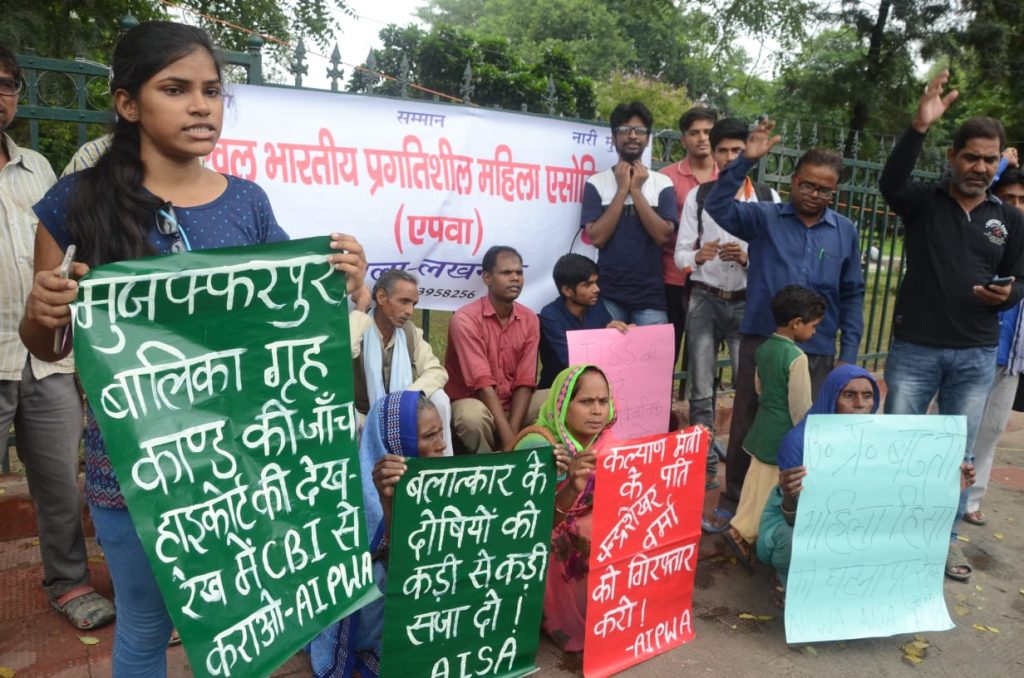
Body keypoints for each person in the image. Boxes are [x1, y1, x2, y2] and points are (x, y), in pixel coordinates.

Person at [18, 22, 368, 676]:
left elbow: (286, 314)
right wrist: (41, 314)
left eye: (211, 90)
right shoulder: (74, 205)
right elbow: (48, 340)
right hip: (135, 472)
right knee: (146, 626)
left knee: (247, 619)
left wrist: (347, 280)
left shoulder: (248, 204)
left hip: (243, 473)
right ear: (128, 104)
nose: (202, 105)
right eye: (175, 89)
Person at [879, 70, 1024, 580]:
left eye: (990, 159)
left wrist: (1009, 294)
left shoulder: (1010, 219)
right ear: (953, 158)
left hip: (976, 353)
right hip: (915, 348)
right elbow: (889, 182)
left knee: (954, 457)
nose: (980, 167)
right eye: (971, 157)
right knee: (899, 447)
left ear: (999, 160)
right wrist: (918, 127)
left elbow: (1021, 278)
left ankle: (941, 542)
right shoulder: (922, 203)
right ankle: (890, 537)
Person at [701, 121, 865, 533]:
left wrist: (848, 357)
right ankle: (734, 500)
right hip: (765, 341)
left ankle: (798, 507)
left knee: (813, 427)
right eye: (808, 186)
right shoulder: (765, 219)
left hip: (819, 348)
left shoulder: (845, 231)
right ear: (794, 182)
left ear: (835, 192)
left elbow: (853, 292)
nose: (815, 195)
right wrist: (745, 162)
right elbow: (717, 206)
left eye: (825, 190)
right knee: (748, 421)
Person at [0, 44, 115, 631]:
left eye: (6, 84)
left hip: (46, 357)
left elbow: (61, 258)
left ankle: (68, 584)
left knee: (57, 484)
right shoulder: (82, 164)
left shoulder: (39, 170)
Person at [759, 366, 976, 604]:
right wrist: (790, 495)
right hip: (795, 524)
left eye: (867, 395)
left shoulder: (882, 441)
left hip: (849, 526)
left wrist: (948, 485)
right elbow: (796, 520)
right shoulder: (799, 442)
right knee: (794, 541)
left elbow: (902, 499)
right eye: (849, 395)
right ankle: (787, 580)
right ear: (832, 397)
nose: (860, 404)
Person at [308, 391, 446, 677]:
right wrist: (389, 504)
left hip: (427, 606)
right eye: (430, 435)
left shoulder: (447, 481)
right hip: (380, 604)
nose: (442, 445)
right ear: (398, 442)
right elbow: (405, 562)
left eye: (441, 433)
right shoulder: (350, 498)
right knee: (373, 577)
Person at [674, 117, 780, 488]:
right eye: (724, 151)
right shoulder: (700, 196)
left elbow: (777, 256)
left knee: (750, 391)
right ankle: (703, 470)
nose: (732, 156)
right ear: (714, 155)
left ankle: (744, 467)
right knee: (701, 391)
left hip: (748, 304)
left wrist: (749, 258)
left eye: (739, 150)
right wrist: (696, 258)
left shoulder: (767, 199)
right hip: (705, 299)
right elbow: (679, 255)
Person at [512, 364, 617, 651]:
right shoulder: (538, 446)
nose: (597, 411)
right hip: (543, 538)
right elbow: (526, 525)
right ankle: (560, 619)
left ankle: (611, 613)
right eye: (586, 402)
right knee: (577, 534)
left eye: (603, 401)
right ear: (562, 405)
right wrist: (567, 482)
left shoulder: (605, 443)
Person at [722, 285, 822, 567]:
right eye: (813, 326)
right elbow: (800, 406)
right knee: (768, 493)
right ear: (797, 324)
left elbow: (758, 386)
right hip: (782, 436)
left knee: (753, 486)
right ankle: (742, 534)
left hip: (761, 427)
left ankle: (738, 526)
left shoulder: (764, 347)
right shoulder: (797, 358)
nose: (814, 333)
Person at [964, 166, 1024, 526]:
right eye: (1009, 198)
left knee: (990, 431)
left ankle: (972, 500)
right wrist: (1000, 163)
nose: (1016, 206)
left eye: (1022, 199)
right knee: (956, 426)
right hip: (970, 348)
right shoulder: (984, 235)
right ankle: (937, 493)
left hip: (1010, 357)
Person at [581, 101, 677, 325]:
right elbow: (597, 238)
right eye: (625, 130)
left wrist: (636, 189)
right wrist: (622, 189)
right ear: (614, 138)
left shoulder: (662, 183)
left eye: (640, 131)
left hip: (650, 296)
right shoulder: (596, 182)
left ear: (647, 138)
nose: (633, 136)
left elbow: (663, 236)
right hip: (608, 294)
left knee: (651, 360)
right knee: (605, 361)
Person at [444, 245, 539, 453]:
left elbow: (525, 381)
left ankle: (541, 466)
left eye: (519, 273)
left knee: (560, 400)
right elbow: (483, 385)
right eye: (506, 273)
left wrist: (511, 437)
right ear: (487, 278)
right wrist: (509, 441)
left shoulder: (530, 319)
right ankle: (489, 468)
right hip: (475, 402)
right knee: (471, 417)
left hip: (513, 405)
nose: (515, 278)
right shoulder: (465, 319)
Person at [350, 268, 453, 455]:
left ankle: (441, 465)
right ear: (381, 297)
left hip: (402, 414)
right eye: (404, 302)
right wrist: (361, 306)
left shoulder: (408, 332)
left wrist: (402, 402)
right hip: (365, 417)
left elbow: (437, 371)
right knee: (350, 418)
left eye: (413, 304)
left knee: (440, 399)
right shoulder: (359, 326)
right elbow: (345, 352)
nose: (410, 311)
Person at [660, 106, 718, 362]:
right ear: (684, 140)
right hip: (673, 276)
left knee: (704, 353)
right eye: (694, 133)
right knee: (668, 347)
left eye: (708, 131)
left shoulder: (727, 177)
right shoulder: (666, 177)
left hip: (713, 278)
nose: (702, 138)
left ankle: (698, 399)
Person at [537, 253, 628, 389]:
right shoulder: (550, 315)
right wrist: (603, 339)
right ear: (567, 290)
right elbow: (571, 360)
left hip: (596, 386)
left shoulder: (597, 306)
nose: (596, 289)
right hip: (559, 389)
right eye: (587, 285)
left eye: (596, 282)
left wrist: (617, 334)